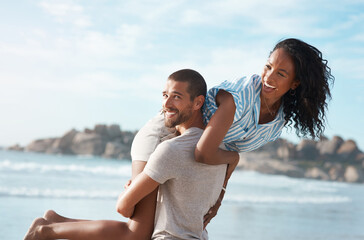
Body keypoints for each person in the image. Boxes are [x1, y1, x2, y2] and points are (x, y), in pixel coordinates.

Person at [23, 69, 235, 240]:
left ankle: (53, 223)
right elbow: (123, 208)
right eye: (165, 96)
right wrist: (137, 189)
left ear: (198, 103)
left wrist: (137, 190)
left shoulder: (209, 149)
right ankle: (45, 231)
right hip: (153, 142)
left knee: (136, 233)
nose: (166, 103)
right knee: (135, 234)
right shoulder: (200, 148)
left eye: (176, 97)